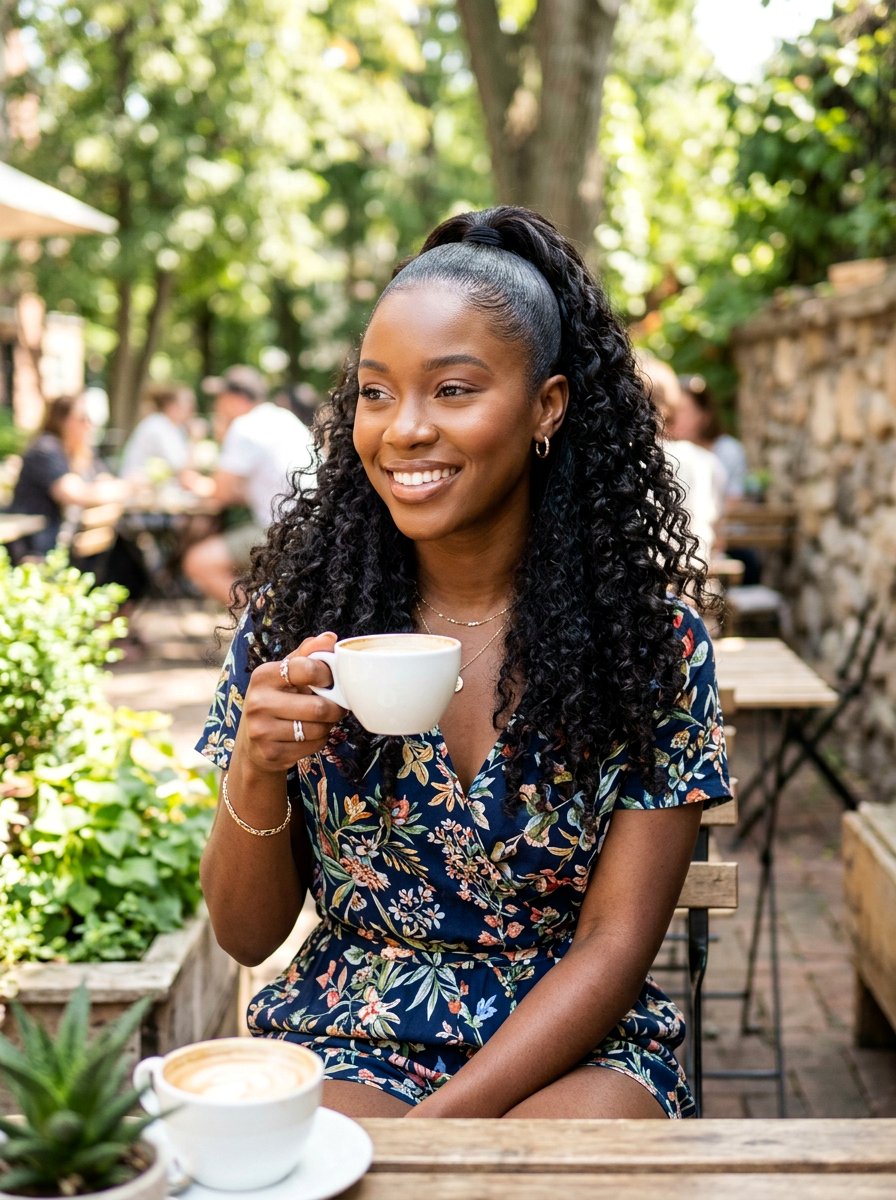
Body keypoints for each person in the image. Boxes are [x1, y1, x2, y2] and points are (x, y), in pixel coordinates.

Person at [196, 207, 731, 1121]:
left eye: (452, 390)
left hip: (575, 1044)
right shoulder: (296, 627)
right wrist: (256, 768)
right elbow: (248, 937)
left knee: (577, 1153)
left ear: (546, 407)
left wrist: (436, 1136)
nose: (403, 429)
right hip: (348, 1034)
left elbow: (611, 947)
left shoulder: (651, 646)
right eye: (375, 393)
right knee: (323, 1145)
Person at [181, 365, 314, 605]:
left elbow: (219, 494)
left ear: (237, 399)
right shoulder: (282, 417)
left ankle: (264, 621)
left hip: (284, 530)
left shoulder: (244, 427)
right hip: (312, 525)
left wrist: (195, 483)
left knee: (197, 562)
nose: (216, 406)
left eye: (220, 399)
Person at [640, 357, 725, 567]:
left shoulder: (618, 460)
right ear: (670, 406)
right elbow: (716, 534)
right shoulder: (705, 461)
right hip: (691, 583)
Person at [119, 382, 196, 482]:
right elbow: (181, 467)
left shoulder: (175, 428)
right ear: (171, 406)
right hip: (135, 488)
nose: (191, 410)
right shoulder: (157, 425)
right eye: (187, 404)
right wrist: (195, 439)